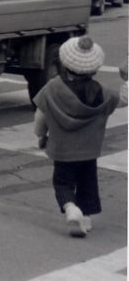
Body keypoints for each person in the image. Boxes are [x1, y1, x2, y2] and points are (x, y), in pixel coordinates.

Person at [33, 36, 128, 237]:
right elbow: (124, 100)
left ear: (64, 64)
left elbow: (40, 117)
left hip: (62, 150)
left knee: (63, 183)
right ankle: (85, 217)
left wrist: (41, 135)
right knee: (87, 182)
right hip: (89, 150)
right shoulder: (102, 92)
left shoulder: (52, 88)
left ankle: (71, 208)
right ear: (94, 69)